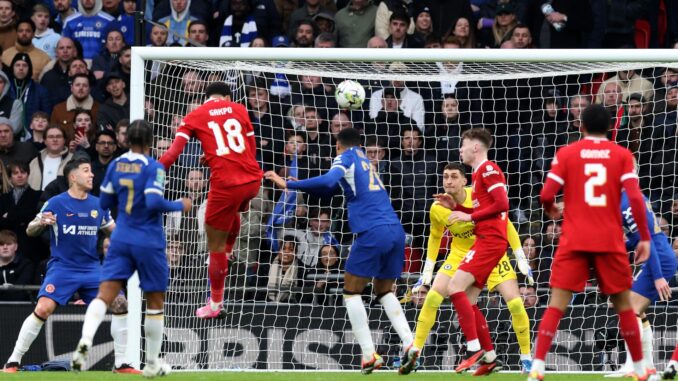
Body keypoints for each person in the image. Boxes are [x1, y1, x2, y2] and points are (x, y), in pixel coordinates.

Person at [265, 128, 415, 374]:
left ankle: (369, 354)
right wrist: (302, 187)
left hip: (372, 230)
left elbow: (327, 181)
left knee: (351, 292)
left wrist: (291, 184)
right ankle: (410, 343)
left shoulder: (344, 157)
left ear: (337, 145)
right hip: (395, 231)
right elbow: (330, 189)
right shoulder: (365, 160)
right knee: (384, 290)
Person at [528, 104, 653, 381]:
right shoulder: (622, 155)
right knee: (624, 306)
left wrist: (551, 209)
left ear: (580, 125)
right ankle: (642, 370)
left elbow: (546, 193)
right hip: (609, 240)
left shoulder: (567, 153)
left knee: (556, 305)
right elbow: (635, 198)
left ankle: (537, 367)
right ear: (609, 127)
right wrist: (644, 237)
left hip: (574, 239)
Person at [70, 121, 191, 377]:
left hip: (121, 237)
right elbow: (154, 201)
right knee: (155, 302)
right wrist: (179, 205)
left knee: (105, 294)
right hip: (148, 240)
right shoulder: (154, 167)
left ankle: (86, 339)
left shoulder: (115, 165)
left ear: (126, 141)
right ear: (149, 142)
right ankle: (152, 363)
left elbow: (104, 201)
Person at [2, 158, 138, 374]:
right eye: (86, 171)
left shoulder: (98, 204)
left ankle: (121, 365)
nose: (91, 175)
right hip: (63, 268)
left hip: (92, 269)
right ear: (73, 177)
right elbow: (30, 230)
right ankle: (12, 362)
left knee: (121, 304)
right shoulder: (56, 202)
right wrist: (40, 223)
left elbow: (114, 230)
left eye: (92, 171)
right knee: (43, 308)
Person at [405, 162, 533, 375]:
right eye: (445, 177)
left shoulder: (478, 197)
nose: (448, 181)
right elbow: (435, 236)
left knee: (516, 304)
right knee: (433, 297)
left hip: (491, 252)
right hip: (459, 255)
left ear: (465, 181)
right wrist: (427, 269)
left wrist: (520, 256)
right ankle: (416, 352)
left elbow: (506, 223)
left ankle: (526, 358)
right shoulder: (438, 207)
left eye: (454, 176)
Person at [159, 82, 262, 319]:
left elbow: (174, 153)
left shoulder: (193, 116)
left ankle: (214, 305)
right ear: (226, 96)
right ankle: (227, 253)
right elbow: (250, 147)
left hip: (226, 185)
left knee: (213, 247)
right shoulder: (239, 108)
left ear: (206, 98)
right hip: (252, 181)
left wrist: (151, 170)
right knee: (233, 214)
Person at [431, 128, 512, 373]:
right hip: (487, 239)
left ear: (475, 147)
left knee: (453, 287)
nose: (460, 150)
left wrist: (470, 217)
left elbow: (503, 204)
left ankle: (472, 347)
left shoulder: (488, 169)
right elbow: (484, 212)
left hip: (490, 241)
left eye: (463, 145)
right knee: (469, 299)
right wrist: (457, 207)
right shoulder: (478, 175)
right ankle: (490, 358)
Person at [608, 190, 676, 377]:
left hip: (659, 258)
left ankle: (633, 365)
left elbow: (647, 240)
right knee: (638, 311)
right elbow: (640, 238)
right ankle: (648, 366)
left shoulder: (625, 204)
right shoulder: (634, 197)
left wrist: (658, 276)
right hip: (658, 256)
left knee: (630, 309)